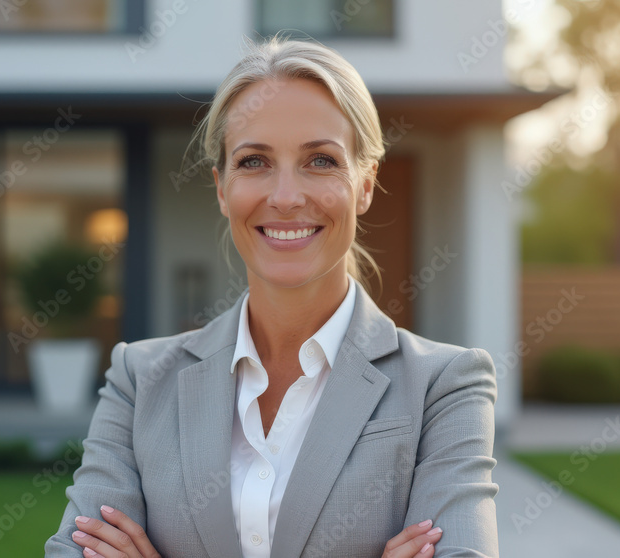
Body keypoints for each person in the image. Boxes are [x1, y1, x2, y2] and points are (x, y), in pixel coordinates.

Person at [44, 34, 499, 558]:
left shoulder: (445, 386)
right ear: (221, 188)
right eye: (254, 161)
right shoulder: (139, 380)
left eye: (322, 161)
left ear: (366, 184)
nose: (285, 197)